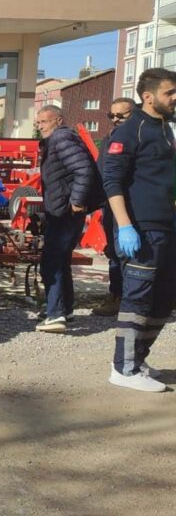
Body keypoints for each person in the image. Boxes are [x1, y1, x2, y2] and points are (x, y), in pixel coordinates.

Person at [100, 68, 176, 392]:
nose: (174, 98)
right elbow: (112, 181)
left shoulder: (166, 129)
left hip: (166, 227)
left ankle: (137, 359)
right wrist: (125, 226)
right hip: (141, 229)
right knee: (139, 298)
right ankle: (124, 368)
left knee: (165, 298)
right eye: (169, 92)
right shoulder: (131, 131)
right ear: (148, 96)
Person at [33, 105, 105, 333]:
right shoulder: (59, 139)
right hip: (62, 209)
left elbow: (84, 169)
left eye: (44, 121)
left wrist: (76, 200)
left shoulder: (61, 138)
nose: (40, 126)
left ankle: (55, 315)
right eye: (38, 122)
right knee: (61, 260)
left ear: (59, 120)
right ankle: (64, 309)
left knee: (51, 263)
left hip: (64, 211)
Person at [91, 97, 135, 317]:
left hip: (131, 206)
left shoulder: (138, 138)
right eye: (112, 115)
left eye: (121, 115)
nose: (115, 119)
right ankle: (116, 294)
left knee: (128, 254)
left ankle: (130, 299)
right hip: (110, 205)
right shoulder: (109, 138)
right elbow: (101, 173)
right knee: (114, 252)